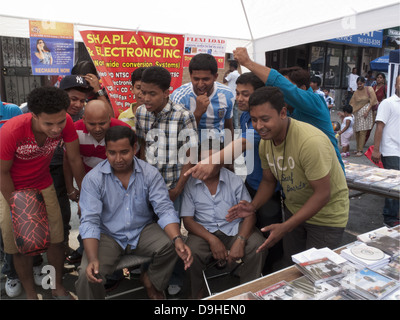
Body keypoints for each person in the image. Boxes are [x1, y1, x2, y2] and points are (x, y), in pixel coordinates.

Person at [226, 86, 349, 267]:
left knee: (316, 273)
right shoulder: (266, 142)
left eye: (265, 119)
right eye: (254, 119)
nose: (259, 126)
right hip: (295, 212)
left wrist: (286, 226)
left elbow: (322, 194)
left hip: (326, 219)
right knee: (292, 269)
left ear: (283, 113)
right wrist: (253, 206)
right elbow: (268, 181)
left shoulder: (310, 142)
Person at [75, 126, 193, 299]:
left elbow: (164, 208)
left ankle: (151, 281)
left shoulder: (149, 173)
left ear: (135, 148)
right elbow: (90, 221)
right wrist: (93, 258)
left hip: (142, 230)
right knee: (88, 276)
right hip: (107, 234)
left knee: (173, 244)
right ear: (105, 151)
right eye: (112, 153)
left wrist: (177, 239)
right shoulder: (93, 179)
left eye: (124, 152)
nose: (118, 159)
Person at [0, 86, 86, 299]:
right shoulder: (11, 131)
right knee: (22, 247)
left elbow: (75, 159)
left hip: (44, 184)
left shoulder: (64, 122)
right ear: (34, 116)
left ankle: (56, 286)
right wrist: (18, 209)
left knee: (56, 240)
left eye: (60, 122)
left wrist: (86, 194)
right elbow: (1, 173)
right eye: (49, 124)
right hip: (12, 188)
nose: (57, 129)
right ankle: (30, 294)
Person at [135, 66, 197, 295]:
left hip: (173, 186)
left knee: (174, 234)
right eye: (143, 92)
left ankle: (175, 277)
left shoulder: (183, 115)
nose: (146, 98)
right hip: (146, 186)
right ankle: (147, 274)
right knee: (146, 230)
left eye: (152, 93)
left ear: (166, 92)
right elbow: (141, 146)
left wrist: (179, 187)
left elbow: (190, 154)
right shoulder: (141, 112)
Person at [232, 47, 345, 172]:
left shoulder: (315, 102)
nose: (280, 92)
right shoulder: (283, 111)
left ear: (302, 89)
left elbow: (285, 88)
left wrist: (248, 62)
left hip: (329, 177)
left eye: (245, 94)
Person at [181, 141, 266, 299]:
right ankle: (199, 293)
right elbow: (188, 220)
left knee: (257, 245)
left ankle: (248, 292)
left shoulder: (233, 180)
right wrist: (211, 239)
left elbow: (249, 214)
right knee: (191, 251)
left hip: (234, 228)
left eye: (214, 159)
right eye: (205, 160)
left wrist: (240, 240)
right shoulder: (191, 184)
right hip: (203, 233)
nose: (209, 165)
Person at [64, 100, 131, 266]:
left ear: (110, 118)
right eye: (92, 124)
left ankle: (119, 257)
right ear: (84, 119)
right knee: (86, 215)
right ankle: (84, 248)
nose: (98, 128)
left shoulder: (122, 129)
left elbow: (131, 161)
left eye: (102, 123)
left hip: (116, 180)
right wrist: (73, 189)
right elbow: (70, 160)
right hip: (88, 182)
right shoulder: (75, 130)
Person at [53, 75, 92, 255]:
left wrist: (82, 194)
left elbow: (74, 159)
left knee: (62, 215)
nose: (78, 104)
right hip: (38, 171)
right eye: (73, 99)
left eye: (82, 101)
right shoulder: (32, 110)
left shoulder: (81, 116)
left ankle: (62, 249)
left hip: (64, 169)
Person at [171, 53, 235, 143]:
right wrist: (197, 113)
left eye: (205, 79)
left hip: (217, 147)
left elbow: (228, 126)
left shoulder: (227, 94)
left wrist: (229, 153)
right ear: (190, 76)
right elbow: (177, 134)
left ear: (215, 77)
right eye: (196, 79)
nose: (200, 84)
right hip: (189, 148)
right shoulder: (179, 97)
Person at [371, 75, 400, 227]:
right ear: (395, 85)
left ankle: (395, 215)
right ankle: (389, 218)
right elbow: (379, 126)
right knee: (394, 184)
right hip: (390, 149)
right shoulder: (388, 103)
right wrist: (376, 150)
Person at [349, 76, 378, 156]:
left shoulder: (369, 89)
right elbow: (352, 103)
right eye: (358, 84)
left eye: (361, 84)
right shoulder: (356, 92)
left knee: (362, 131)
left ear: (364, 83)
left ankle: (360, 150)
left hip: (366, 113)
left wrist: (367, 111)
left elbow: (373, 100)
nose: (359, 85)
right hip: (357, 113)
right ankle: (358, 148)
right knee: (357, 131)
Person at [223, 60, 241, 129]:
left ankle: (230, 127)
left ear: (232, 67)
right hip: (236, 95)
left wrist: (226, 72)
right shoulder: (238, 75)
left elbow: (224, 81)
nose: (229, 68)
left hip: (231, 96)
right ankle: (236, 127)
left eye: (230, 66)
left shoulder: (231, 74)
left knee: (229, 112)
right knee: (235, 111)